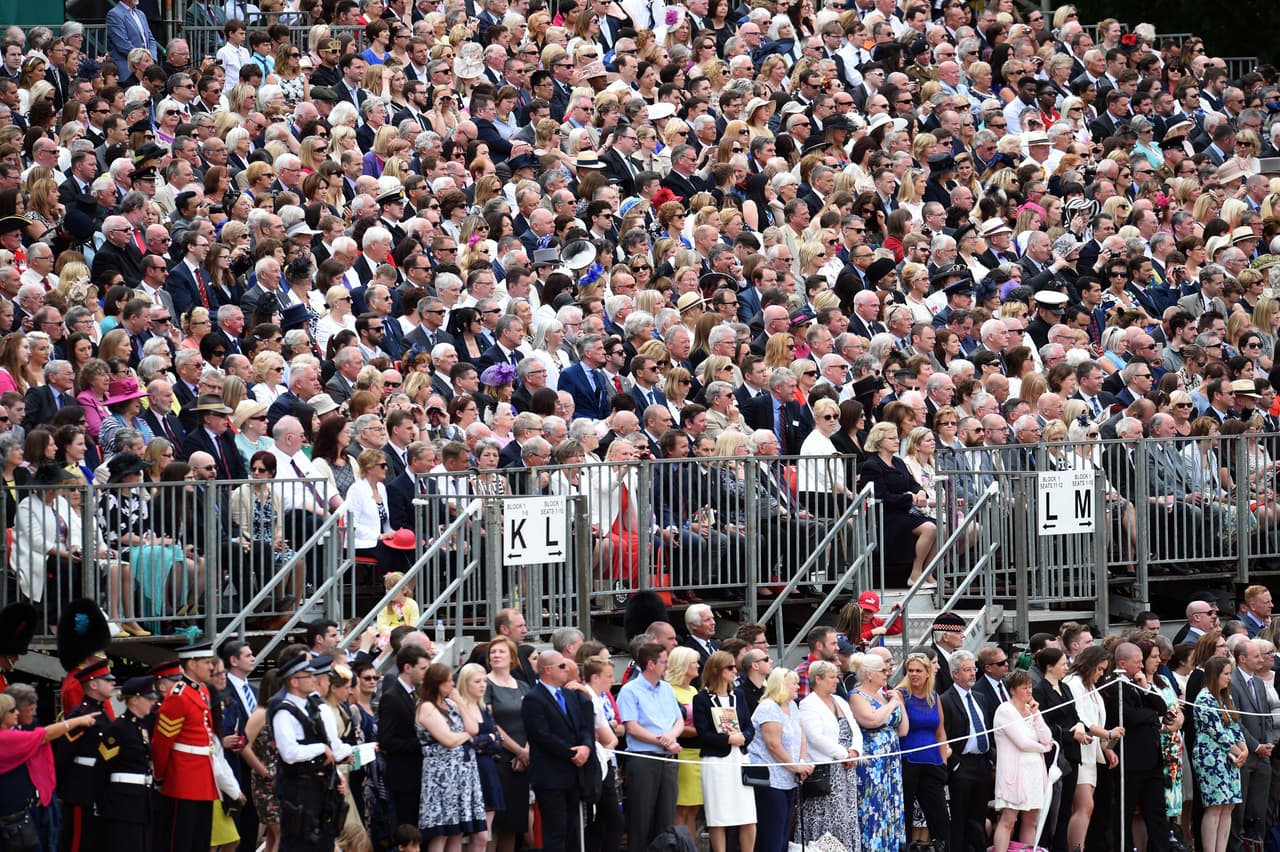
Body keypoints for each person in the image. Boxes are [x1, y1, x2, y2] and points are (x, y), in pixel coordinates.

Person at [270, 653, 351, 852]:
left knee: (323, 841)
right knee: (300, 842)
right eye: (308, 676)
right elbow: (288, 752)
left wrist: (337, 776)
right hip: (299, 789)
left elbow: (327, 744)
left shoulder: (313, 706)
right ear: (294, 681)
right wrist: (320, 749)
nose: (314, 680)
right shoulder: (284, 711)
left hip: (321, 787)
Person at [520, 650, 597, 852]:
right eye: (562, 666)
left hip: (573, 774)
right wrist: (573, 754)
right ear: (547, 670)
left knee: (572, 830)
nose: (567, 670)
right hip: (551, 776)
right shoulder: (533, 699)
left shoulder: (569, 696)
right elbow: (542, 736)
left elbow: (584, 726)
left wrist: (587, 747)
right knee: (555, 832)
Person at [151, 642, 220, 852]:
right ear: (191, 664)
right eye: (207, 662)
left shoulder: (201, 691)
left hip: (202, 774)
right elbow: (162, 742)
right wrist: (161, 775)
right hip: (184, 778)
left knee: (200, 840)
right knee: (182, 840)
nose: (212, 667)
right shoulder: (179, 695)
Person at [617, 641, 682, 851]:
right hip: (644, 758)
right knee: (641, 818)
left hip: (668, 757)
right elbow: (632, 727)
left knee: (666, 818)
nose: (667, 666)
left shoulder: (667, 689)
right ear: (651, 664)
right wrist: (661, 740)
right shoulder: (630, 690)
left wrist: (670, 738)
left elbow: (678, 720)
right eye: (664, 661)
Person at [415, 661, 487, 850]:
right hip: (441, 775)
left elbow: (474, 728)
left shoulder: (451, 703)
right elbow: (448, 739)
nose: (452, 685)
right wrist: (466, 736)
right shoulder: (426, 707)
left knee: (457, 831)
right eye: (447, 682)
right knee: (441, 832)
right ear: (436, 683)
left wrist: (460, 702)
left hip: (462, 773)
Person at [692, 649, 757, 852]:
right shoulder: (702, 699)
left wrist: (743, 737)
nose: (734, 671)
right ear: (717, 670)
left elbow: (749, 725)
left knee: (748, 814)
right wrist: (728, 739)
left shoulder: (738, 695)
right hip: (717, 762)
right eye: (730, 667)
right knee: (718, 815)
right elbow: (703, 733)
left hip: (740, 759)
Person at [797, 658, 860, 851]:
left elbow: (854, 728)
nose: (836, 680)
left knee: (847, 813)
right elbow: (815, 736)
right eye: (832, 677)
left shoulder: (840, 700)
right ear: (818, 679)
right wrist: (843, 754)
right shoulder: (808, 704)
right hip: (827, 769)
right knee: (825, 815)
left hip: (846, 768)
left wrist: (856, 751)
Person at [747, 666, 813, 852]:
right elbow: (773, 743)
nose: (797, 686)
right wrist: (795, 767)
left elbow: (802, 736)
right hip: (770, 778)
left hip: (788, 778)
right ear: (781, 684)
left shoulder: (792, 705)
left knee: (784, 831)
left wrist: (801, 762)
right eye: (794, 683)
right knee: (772, 832)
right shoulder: (768, 707)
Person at [849, 651, 907, 851]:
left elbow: (903, 729)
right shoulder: (857, 696)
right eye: (883, 670)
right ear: (869, 674)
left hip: (891, 759)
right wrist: (892, 705)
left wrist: (897, 701)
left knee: (890, 806)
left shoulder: (886, 694)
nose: (887, 673)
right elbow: (871, 720)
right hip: (872, 761)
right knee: (873, 806)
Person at [991, 668, 1053, 852]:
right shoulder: (1005, 710)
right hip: (1014, 774)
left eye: (1030, 687)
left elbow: (1047, 737)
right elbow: (1022, 742)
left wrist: (1037, 715)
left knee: (1031, 821)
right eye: (1024, 688)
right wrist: (1043, 748)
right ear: (1013, 690)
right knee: (1009, 819)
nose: (1029, 691)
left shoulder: (1030, 709)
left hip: (1033, 773)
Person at [896, 650, 951, 850]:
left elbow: (940, 732)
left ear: (928, 673)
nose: (914, 674)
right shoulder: (900, 695)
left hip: (933, 763)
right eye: (910, 670)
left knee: (940, 817)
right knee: (907, 814)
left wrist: (943, 760)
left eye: (918, 670)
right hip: (909, 762)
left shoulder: (934, 697)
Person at [1193, 654, 1247, 852]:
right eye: (1226, 674)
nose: (1229, 678)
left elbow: (1234, 725)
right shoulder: (1204, 698)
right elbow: (1216, 731)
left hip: (1230, 758)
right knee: (1215, 806)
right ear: (1215, 675)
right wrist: (1236, 750)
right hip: (1211, 758)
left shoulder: (1225, 697)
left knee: (1229, 806)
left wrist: (1244, 749)